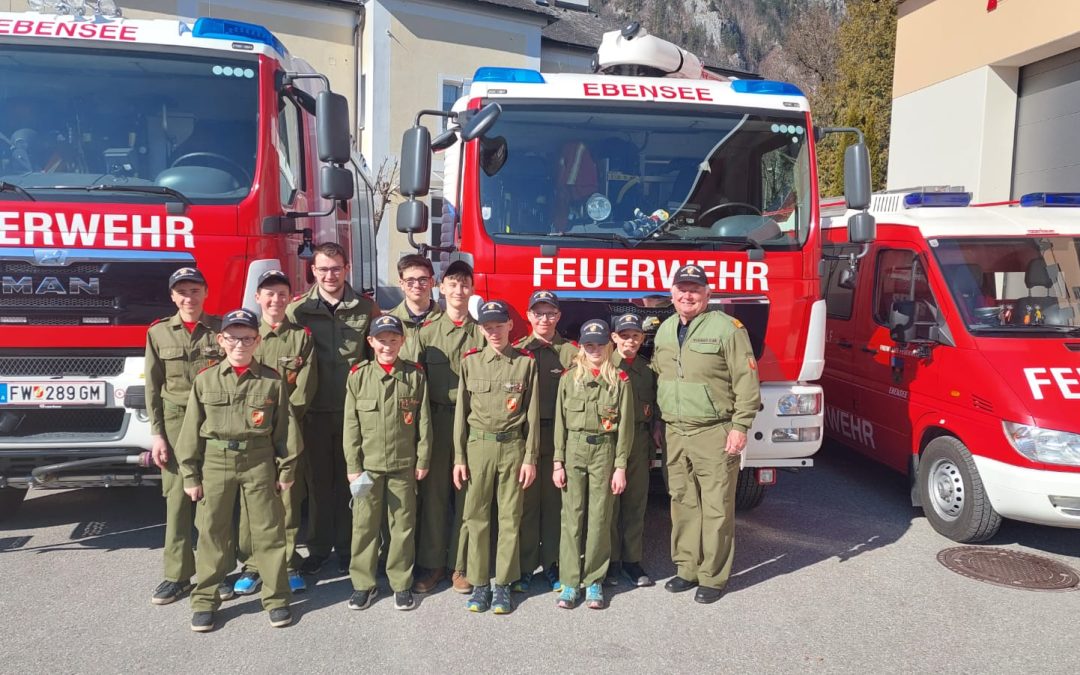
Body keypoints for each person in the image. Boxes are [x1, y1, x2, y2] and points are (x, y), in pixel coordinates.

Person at [175, 308, 296, 632]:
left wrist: (286, 470)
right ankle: (205, 600)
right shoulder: (205, 380)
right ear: (221, 340)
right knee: (212, 532)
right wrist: (190, 474)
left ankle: (276, 598)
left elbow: (285, 430)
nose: (240, 344)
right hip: (216, 462)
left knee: (268, 532)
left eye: (247, 338)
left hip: (258, 461)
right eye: (233, 337)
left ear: (257, 341)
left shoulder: (272, 381)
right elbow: (190, 431)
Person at [652, 264, 760, 604]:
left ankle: (713, 576)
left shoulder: (727, 329)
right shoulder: (665, 330)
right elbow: (661, 379)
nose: (687, 295)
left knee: (716, 506)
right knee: (682, 501)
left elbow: (746, 380)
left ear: (707, 294)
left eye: (695, 289)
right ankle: (687, 569)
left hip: (714, 432)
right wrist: (658, 421)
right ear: (672, 293)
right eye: (682, 288)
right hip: (674, 431)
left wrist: (740, 426)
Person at [287, 242, 379, 576]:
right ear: (313, 271)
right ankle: (318, 548)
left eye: (336, 268)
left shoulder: (366, 309)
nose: (330, 275)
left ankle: (349, 546)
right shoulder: (297, 311)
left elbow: (376, 358)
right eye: (323, 269)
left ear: (346, 268)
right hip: (313, 412)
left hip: (354, 414)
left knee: (353, 482)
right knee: (318, 484)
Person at [232, 270, 317, 597]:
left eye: (282, 293)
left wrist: (283, 423)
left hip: (288, 430)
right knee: (253, 499)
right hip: (252, 433)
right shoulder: (246, 336)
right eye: (269, 294)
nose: (275, 300)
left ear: (290, 297)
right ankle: (252, 565)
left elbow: (307, 384)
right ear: (257, 298)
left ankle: (289, 562)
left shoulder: (301, 337)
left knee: (288, 498)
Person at [144, 267, 224, 605]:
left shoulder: (222, 329)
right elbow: (153, 387)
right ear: (172, 297)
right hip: (176, 424)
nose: (189, 297)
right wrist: (157, 435)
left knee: (214, 503)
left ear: (206, 292)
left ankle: (213, 574)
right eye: (182, 292)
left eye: (195, 290)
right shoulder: (159, 333)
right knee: (177, 502)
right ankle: (176, 576)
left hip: (213, 421)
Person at [453, 300, 539, 614]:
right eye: (488, 327)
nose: (494, 332)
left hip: (513, 447)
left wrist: (530, 457)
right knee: (475, 517)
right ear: (481, 329)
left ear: (510, 326)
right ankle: (479, 583)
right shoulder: (470, 362)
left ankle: (502, 584)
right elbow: (461, 414)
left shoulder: (526, 363)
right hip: (478, 447)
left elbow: (531, 413)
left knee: (509, 518)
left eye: (499, 325)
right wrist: (459, 457)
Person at [343, 315, 432, 612]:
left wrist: (422, 459)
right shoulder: (358, 376)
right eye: (382, 340)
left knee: (402, 526)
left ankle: (401, 583)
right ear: (371, 342)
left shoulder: (414, 376)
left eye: (394, 340)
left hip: (403, 467)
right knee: (363, 525)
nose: (388, 346)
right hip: (367, 469)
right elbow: (351, 426)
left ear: (402, 341)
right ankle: (363, 585)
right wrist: (352, 466)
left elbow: (423, 423)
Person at [412, 261, 484, 595]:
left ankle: (461, 564)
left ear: (472, 289)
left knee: (467, 496)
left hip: (471, 421)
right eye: (452, 284)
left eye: (464, 285)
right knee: (435, 496)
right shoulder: (426, 332)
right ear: (442, 288)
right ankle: (432, 564)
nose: (458, 291)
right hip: (438, 420)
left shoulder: (482, 332)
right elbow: (415, 385)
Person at [553, 320, 632, 610]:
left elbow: (625, 428)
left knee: (600, 517)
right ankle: (571, 581)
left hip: (605, 451)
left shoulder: (620, 380)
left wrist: (620, 466)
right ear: (581, 348)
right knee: (572, 517)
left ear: (609, 346)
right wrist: (557, 462)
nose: (595, 349)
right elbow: (560, 424)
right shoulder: (569, 379)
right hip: (573, 449)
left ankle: (595, 580)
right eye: (589, 345)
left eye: (599, 344)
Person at [513, 290, 577, 593]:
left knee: (555, 505)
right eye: (538, 313)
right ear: (529, 316)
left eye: (550, 313)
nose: (544, 319)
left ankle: (552, 564)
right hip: (524, 436)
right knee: (525, 504)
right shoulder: (517, 351)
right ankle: (525, 566)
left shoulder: (572, 354)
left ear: (559, 317)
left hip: (558, 436)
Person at [607, 312, 657, 588]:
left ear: (642, 338)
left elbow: (652, 413)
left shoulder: (647, 371)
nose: (630, 341)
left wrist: (650, 451)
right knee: (610, 504)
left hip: (638, 443)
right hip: (611, 442)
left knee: (635, 504)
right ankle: (611, 561)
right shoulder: (604, 366)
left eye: (635, 336)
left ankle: (631, 561)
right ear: (614, 338)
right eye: (624, 335)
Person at [387, 254, 442, 361]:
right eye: (410, 281)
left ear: (431, 282)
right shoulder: (390, 322)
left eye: (423, 280)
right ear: (402, 284)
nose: (417, 285)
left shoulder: (446, 321)